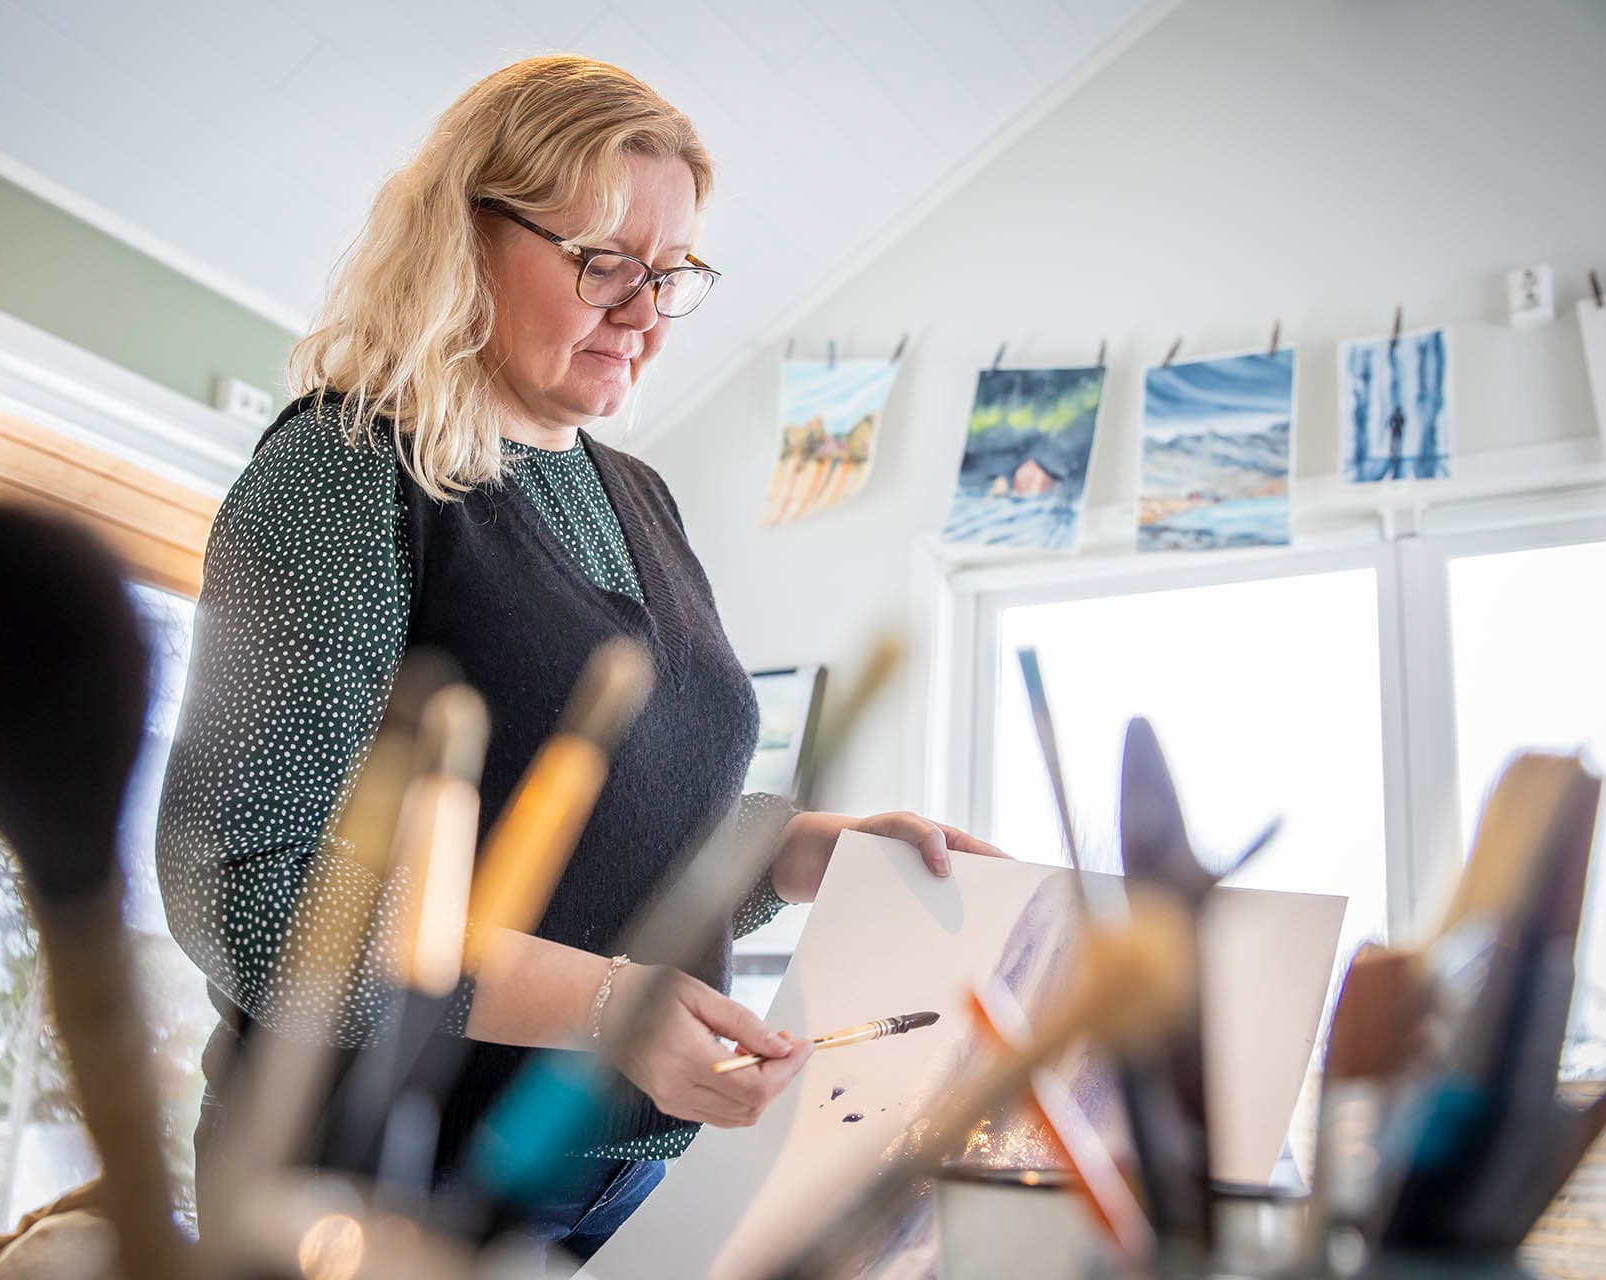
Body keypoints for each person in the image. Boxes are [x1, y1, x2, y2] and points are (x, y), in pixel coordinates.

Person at [155, 53, 1005, 1258]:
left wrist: (801, 847)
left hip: (625, 1185)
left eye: (670, 275)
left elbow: (614, 835)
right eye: (604, 261)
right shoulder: (346, 473)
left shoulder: (639, 494)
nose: (645, 313)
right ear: (466, 238)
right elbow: (251, 884)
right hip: (372, 1184)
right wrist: (608, 1006)